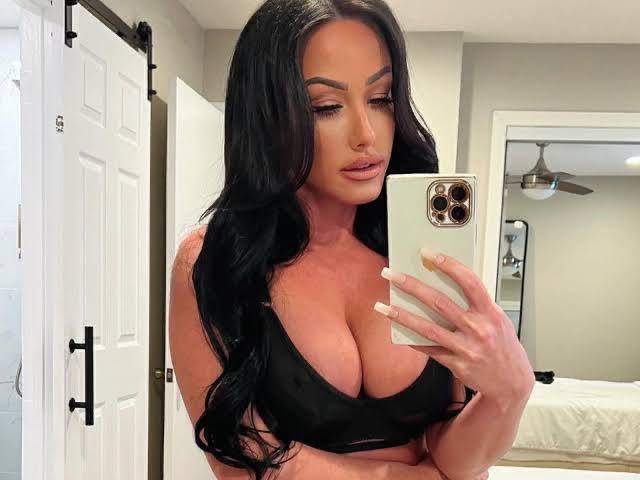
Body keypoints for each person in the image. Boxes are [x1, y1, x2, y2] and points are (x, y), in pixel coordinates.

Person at [169, 1, 535, 479]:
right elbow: (247, 465)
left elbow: (452, 456)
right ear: (267, 118)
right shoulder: (214, 261)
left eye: (381, 99)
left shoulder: (414, 252)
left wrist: (509, 393)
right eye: (326, 107)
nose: (367, 135)